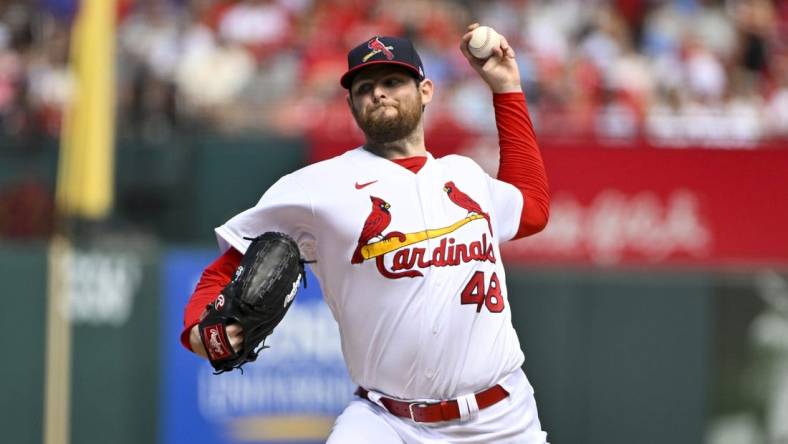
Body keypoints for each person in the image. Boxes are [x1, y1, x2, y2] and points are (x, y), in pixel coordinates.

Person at [180, 23, 551, 443]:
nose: (379, 92)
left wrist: (507, 88)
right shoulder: (316, 187)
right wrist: (200, 330)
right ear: (352, 104)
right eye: (365, 87)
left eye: (393, 81)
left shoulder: (464, 175)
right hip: (388, 421)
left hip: (501, 418)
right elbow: (227, 266)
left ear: (426, 90)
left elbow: (533, 210)